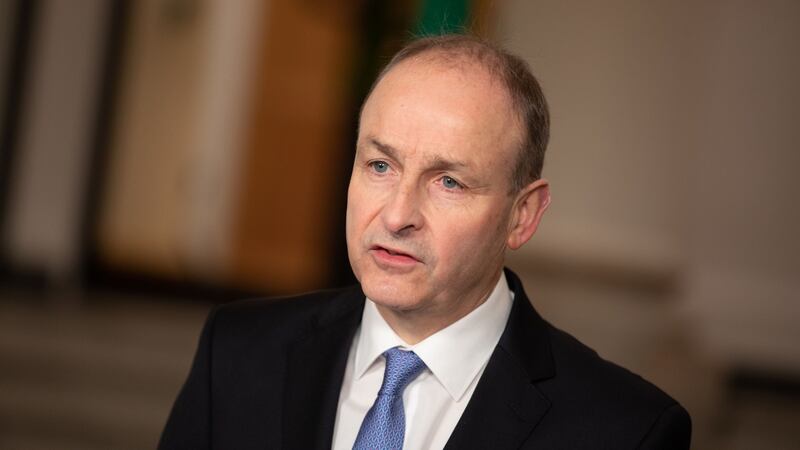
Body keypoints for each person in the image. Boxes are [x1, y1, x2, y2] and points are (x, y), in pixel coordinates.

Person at [158, 34, 691, 450]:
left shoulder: (627, 432)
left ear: (522, 215)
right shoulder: (236, 353)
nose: (396, 215)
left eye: (449, 182)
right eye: (380, 165)